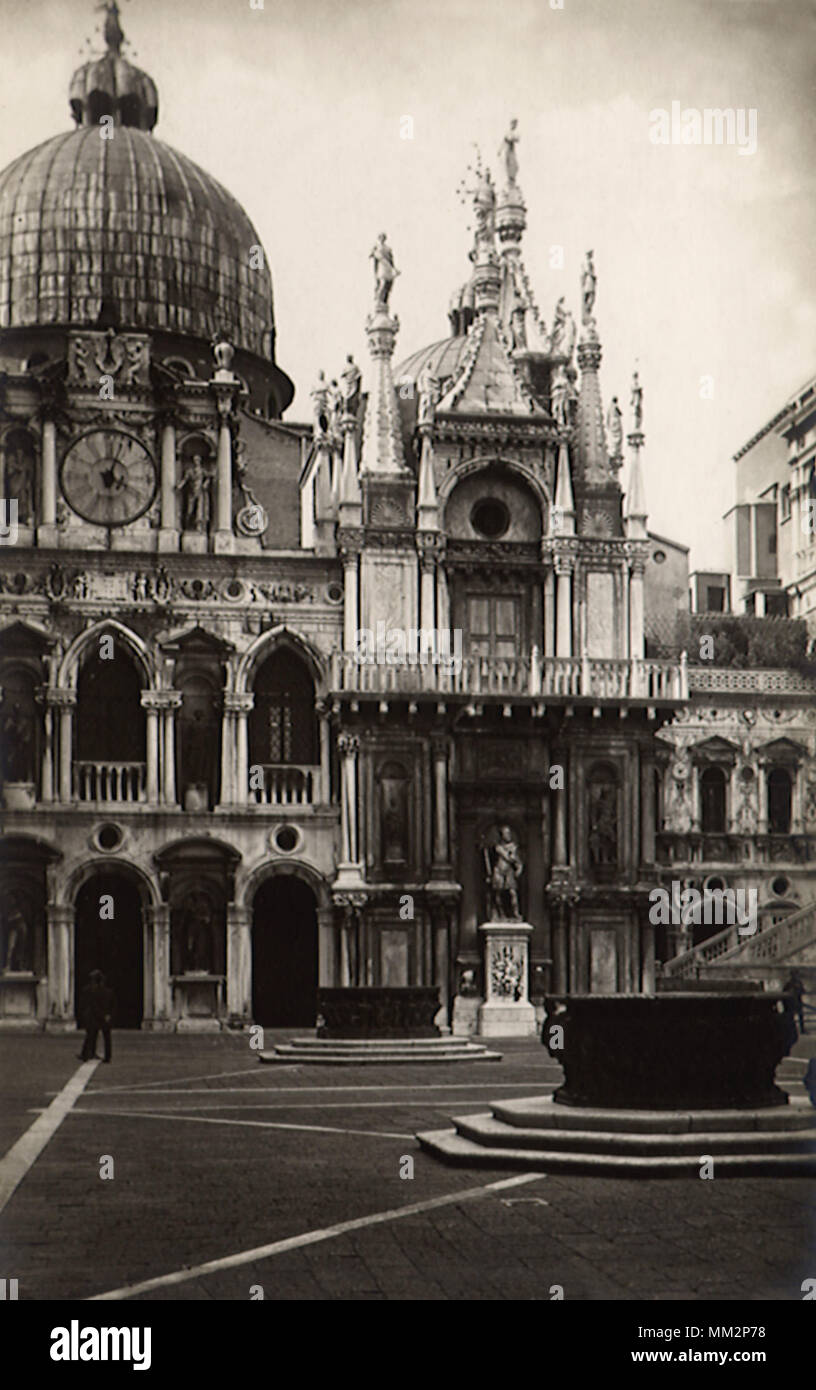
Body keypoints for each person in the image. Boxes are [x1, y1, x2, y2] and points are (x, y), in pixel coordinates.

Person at [78, 969, 115, 1063]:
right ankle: (107, 1056)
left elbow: (92, 1005)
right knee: (106, 1037)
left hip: (95, 1016)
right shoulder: (109, 992)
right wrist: (109, 1015)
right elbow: (113, 1005)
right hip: (105, 1017)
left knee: (91, 1035)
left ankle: (86, 1054)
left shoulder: (90, 991)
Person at [783, 970, 806, 1035]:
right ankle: (791, 1030)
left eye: (796, 975)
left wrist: (799, 990)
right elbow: (784, 992)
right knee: (791, 1017)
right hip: (791, 1003)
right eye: (794, 975)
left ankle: (802, 1029)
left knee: (801, 1015)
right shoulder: (789, 984)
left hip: (798, 1002)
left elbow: (803, 991)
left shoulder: (799, 983)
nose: (795, 976)